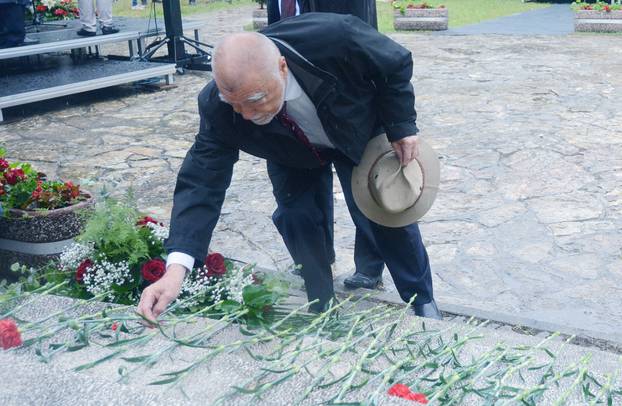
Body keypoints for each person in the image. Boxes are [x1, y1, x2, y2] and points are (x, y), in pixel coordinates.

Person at [137, 13, 442, 323]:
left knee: (387, 211)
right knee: (298, 218)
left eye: (256, 100)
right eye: (235, 104)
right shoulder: (218, 108)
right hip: (290, 150)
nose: (246, 115)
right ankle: (322, 303)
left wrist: (401, 124)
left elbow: (395, 63)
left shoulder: (335, 36)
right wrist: (176, 269)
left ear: (282, 67)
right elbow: (201, 180)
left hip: (354, 127)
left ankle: (421, 298)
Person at [268, 0, 385, 290]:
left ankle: (370, 266)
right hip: (294, 98)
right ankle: (319, 254)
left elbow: (361, 36)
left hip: (343, 97)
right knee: (307, 187)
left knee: (360, 188)